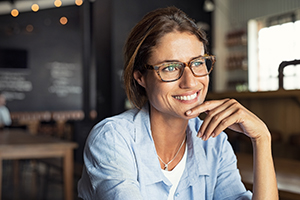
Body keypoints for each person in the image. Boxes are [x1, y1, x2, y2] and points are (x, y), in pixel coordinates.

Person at [78, 6, 278, 200]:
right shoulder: (112, 140)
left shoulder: (214, 143)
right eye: (170, 68)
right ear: (140, 77)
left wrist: (262, 139)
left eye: (198, 63)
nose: (190, 82)